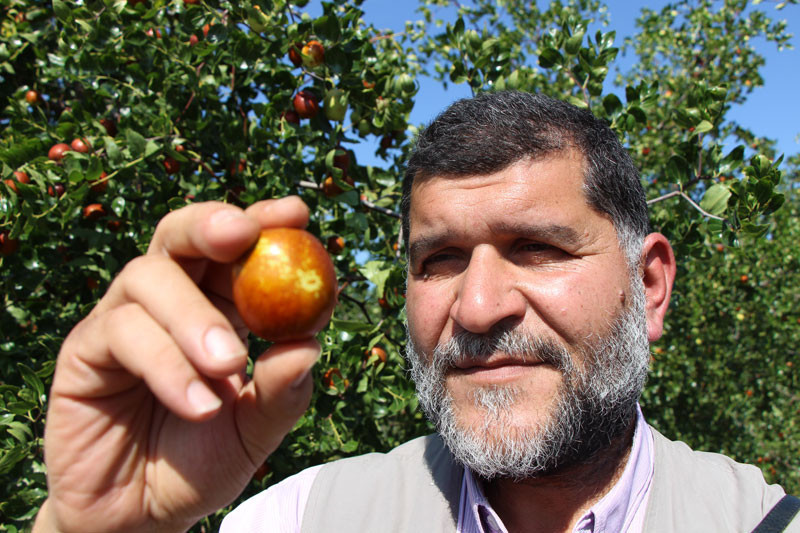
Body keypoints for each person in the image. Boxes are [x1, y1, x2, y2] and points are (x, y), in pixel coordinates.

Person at [33, 91, 798, 533]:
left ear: (651, 285)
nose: (476, 305)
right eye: (440, 260)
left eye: (535, 247)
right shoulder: (298, 522)